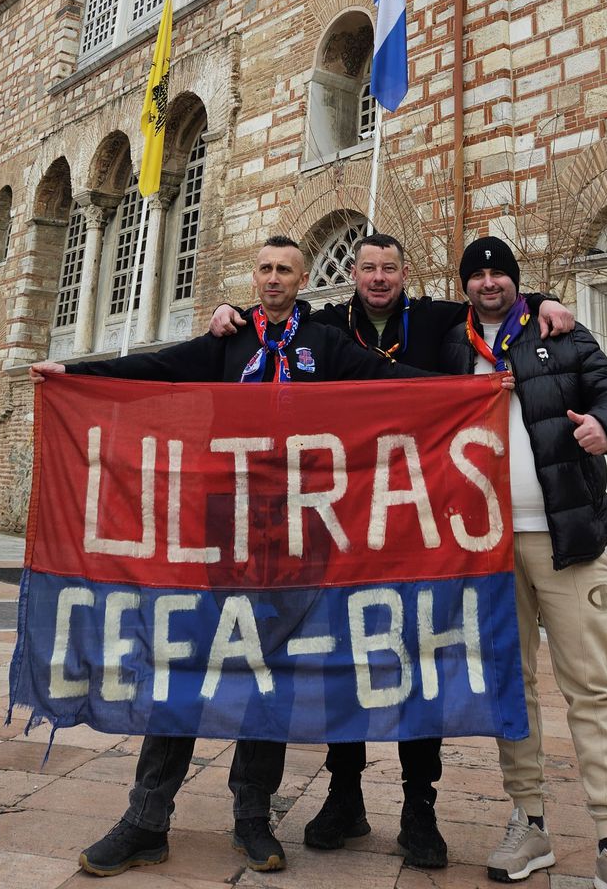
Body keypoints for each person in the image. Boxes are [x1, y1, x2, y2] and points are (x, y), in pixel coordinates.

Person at [30, 234, 471, 880]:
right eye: (264, 268)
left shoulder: (325, 345)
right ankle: (146, 820)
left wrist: (472, 392)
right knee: (184, 664)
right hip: (218, 532)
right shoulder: (227, 341)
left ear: (303, 279)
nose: (273, 278)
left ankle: (252, 817)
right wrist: (74, 374)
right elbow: (156, 367)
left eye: (285, 270)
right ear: (254, 276)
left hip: (295, 534)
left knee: (269, 673)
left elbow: (390, 379)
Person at [208, 231, 576, 870]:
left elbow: (491, 295)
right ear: (351, 274)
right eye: (368, 268)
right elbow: (269, 314)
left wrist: (545, 300)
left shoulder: (434, 318)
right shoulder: (326, 325)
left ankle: (419, 809)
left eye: (389, 269)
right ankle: (345, 797)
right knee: (349, 654)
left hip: (418, 517)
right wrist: (231, 314)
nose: (378, 278)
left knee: (418, 655)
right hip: (344, 519)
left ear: (406, 274)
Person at [441, 235, 607, 889]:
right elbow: (373, 318)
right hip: (489, 543)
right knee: (513, 686)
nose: (489, 283)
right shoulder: (451, 346)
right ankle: (528, 821)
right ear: (465, 285)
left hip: (565, 538)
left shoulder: (562, 332)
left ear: (516, 281)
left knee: (590, 686)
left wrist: (605, 428)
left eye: (500, 272)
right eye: (477, 274)